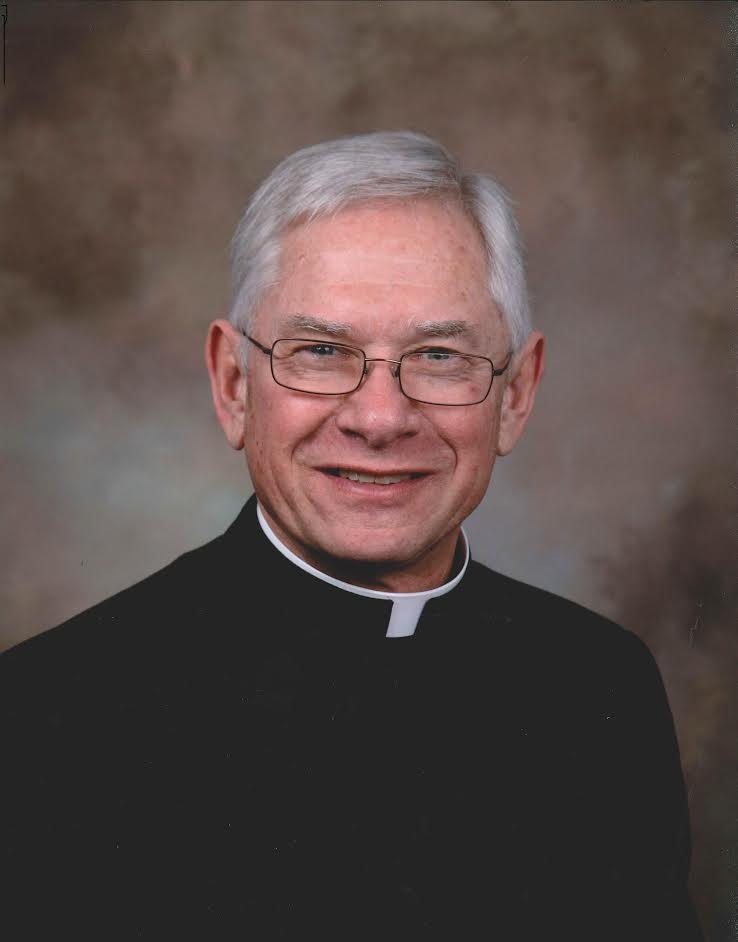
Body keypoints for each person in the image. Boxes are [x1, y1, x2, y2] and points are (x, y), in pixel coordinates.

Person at [0, 132, 701, 940]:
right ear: (234, 384)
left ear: (515, 396)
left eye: (440, 356)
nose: (378, 418)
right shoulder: (47, 715)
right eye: (322, 351)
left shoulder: (599, 689)